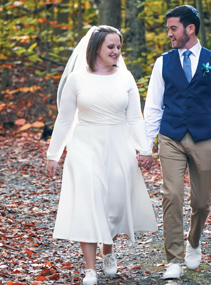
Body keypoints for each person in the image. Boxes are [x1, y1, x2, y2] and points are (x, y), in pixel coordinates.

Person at [46, 25, 157, 285]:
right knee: (89, 202)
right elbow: (64, 119)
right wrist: (54, 153)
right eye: (111, 46)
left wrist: (145, 149)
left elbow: (134, 118)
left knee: (115, 204)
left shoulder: (125, 78)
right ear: (96, 47)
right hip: (85, 145)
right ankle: (89, 269)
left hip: (118, 144)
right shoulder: (77, 79)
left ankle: (108, 250)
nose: (116, 51)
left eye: (119, 47)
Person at [144, 5, 211, 280]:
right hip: (171, 136)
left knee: (202, 201)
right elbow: (152, 107)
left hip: (205, 137)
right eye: (169, 28)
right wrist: (146, 145)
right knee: (171, 195)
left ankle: (193, 240)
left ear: (190, 29)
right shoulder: (163, 62)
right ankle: (173, 259)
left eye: (173, 28)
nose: (169, 34)